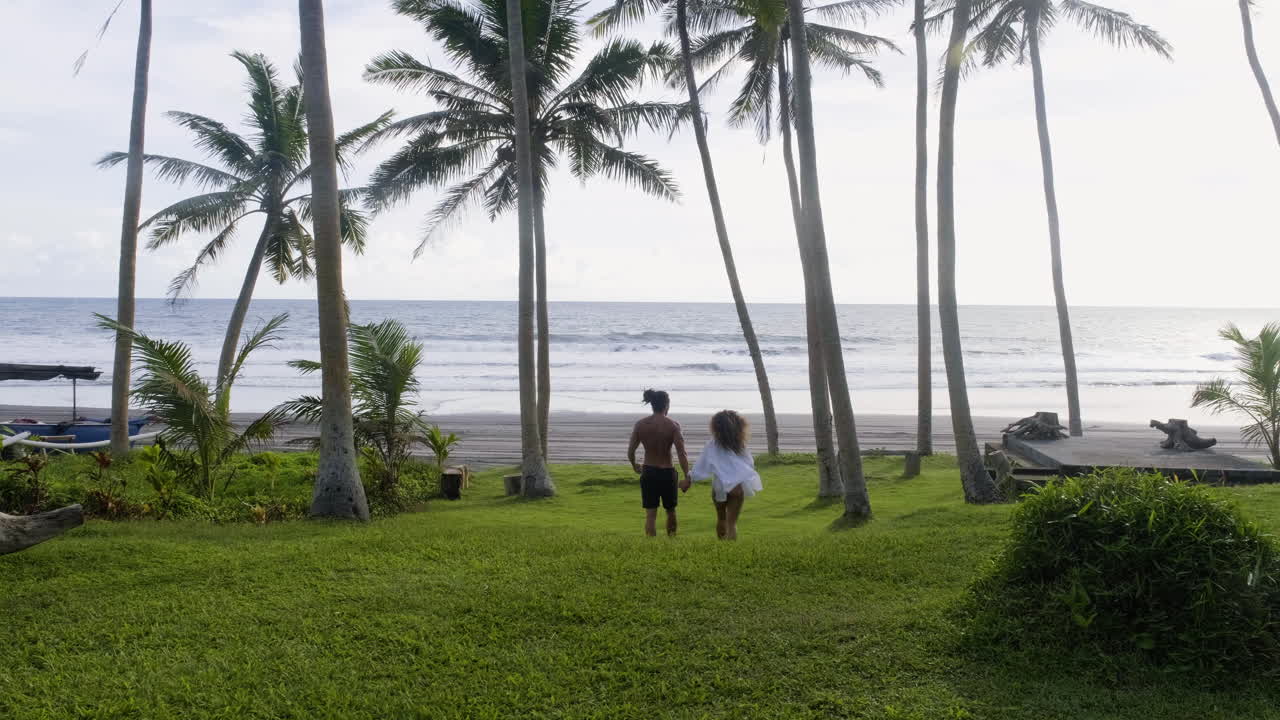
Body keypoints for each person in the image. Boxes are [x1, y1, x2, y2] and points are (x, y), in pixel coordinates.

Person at [627, 389, 691, 537]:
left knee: (650, 515)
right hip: (667, 473)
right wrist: (687, 475)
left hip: (648, 471)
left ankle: (651, 547)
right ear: (666, 405)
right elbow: (682, 453)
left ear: (652, 405)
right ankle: (671, 542)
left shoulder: (641, 425)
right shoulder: (673, 425)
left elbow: (630, 451)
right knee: (670, 511)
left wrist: (634, 464)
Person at [690, 410, 762, 540]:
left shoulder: (712, 445)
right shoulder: (740, 445)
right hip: (737, 488)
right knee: (732, 523)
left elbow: (701, 466)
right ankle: (730, 550)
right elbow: (749, 463)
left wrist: (690, 478)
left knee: (721, 519)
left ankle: (722, 548)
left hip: (720, 487)